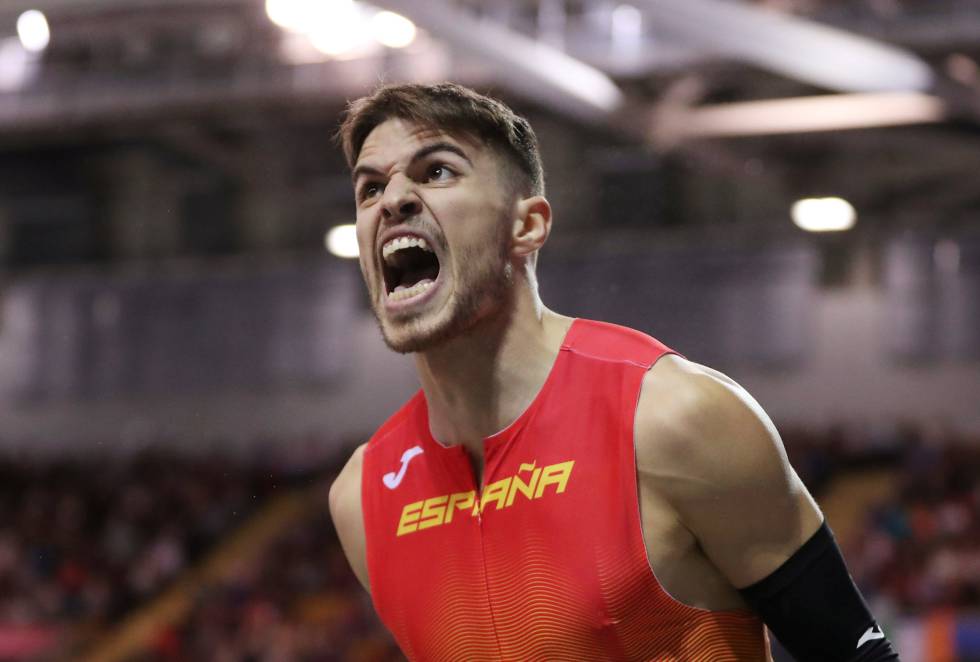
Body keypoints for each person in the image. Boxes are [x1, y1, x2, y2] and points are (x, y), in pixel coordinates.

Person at [328, 82, 898, 661]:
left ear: (527, 227)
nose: (392, 199)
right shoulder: (362, 499)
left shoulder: (674, 418)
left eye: (437, 172)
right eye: (370, 187)